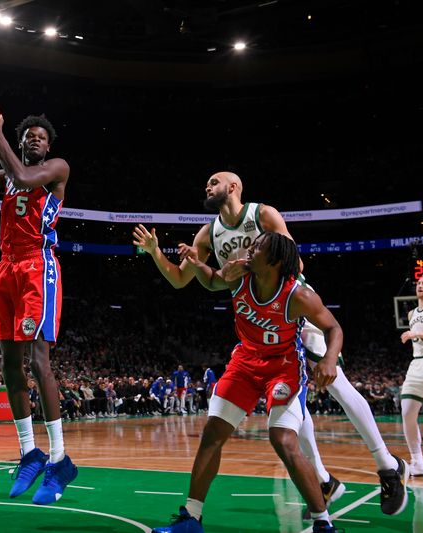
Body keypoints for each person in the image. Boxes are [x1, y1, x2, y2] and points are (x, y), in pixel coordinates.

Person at [133, 171, 407, 515]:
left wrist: (244, 266)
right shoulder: (208, 233)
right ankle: (324, 480)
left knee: (334, 381)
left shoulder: (262, 215)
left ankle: (387, 466)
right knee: (293, 405)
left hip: (290, 306)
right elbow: (180, 278)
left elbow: (297, 261)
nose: (208, 185)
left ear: (234, 187)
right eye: (206, 183)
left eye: (215, 181)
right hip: (256, 315)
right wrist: (157, 252)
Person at [154, 232, 344, 532]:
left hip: (282, 368)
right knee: (212, 432)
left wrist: (329, 359)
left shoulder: (298, 295)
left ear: (276, 260)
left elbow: (334, 328)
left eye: (258, 247)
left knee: (283, 440)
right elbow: (211, 279)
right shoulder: (238, 274)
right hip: (245, 362)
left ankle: (323, 523)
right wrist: (194, 261)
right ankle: (192, 518)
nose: (250, 248)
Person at [0, 101, 77, 505]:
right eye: (29, 136)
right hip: (6, 267)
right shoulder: (2, 174)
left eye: (41, 137)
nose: (35, 140)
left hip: (38, 266)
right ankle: (29, 452)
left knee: (39, 361)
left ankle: (59, 460)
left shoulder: (55, 168)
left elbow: (23, 178)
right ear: (21, 141)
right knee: (8, 363)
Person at [399, 273, 423, 477]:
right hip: (417, 364)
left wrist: (416, 334)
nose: (420, 285)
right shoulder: (411, 314)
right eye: (419, 283)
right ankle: (417, 461)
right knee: (407, 411)